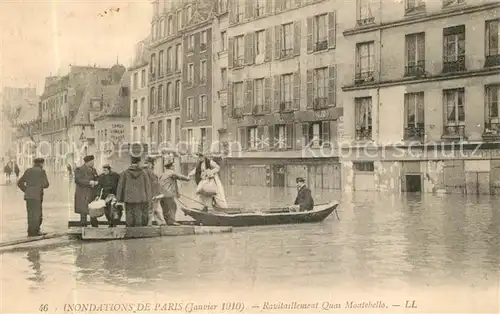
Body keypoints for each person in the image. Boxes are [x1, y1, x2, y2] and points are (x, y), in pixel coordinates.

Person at [16, 158, 50, 237]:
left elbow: (19, 182)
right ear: (41, 164)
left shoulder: (28, 171)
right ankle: (36, 231)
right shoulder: (42, 171)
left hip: (28, 196)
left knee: (30, 213)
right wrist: (39, 186)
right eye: (43, 164)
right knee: (37, 214)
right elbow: (46, 184)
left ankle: (30, 231)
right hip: (37, 196)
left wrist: (26, 190)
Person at [116, 156, 152, 227]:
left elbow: (120, 186)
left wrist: (119, 198)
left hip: (128, 197)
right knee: (138, 213)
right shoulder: (143, 173)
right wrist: (149, 198)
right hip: (140, 197)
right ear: (138, 162)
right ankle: (137, 230)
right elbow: (147, 186)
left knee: (129, 213)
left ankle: (129, 229)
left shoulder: (125, 173)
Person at [158, 157, 190, 225]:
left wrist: (177, 193)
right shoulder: (171, 173)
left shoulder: (163, 174)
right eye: (173, 166)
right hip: (168, 194)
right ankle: (172, 221)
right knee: (173, 207)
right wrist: (188, 178)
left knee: (165, 208)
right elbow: (181, 177)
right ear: (171, 167)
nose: (174, 167)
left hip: (162, 194)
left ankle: (168, 221)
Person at [74, 155, 100, 227]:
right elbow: (78, 180)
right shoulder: (79, 169)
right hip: (83, 193)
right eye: (92, 161)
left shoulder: (93, 170)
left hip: (92, 193)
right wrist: (89, 182)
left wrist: (97, 182)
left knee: (93, 209)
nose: (93, 163)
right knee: (83, 211)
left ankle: (94, 225)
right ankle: (83, 226)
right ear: (87, 162)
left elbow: (97, 178)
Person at [144, 157, 166, 226]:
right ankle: (156, 223)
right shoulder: (148, 171)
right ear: (149, 163)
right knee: (153, 209)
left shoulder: (147, 171)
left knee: (154, 209)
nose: (153, 165)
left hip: (153, 194)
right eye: (152, 163)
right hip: (153, 194)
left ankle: (159, 223)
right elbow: (153, 183)